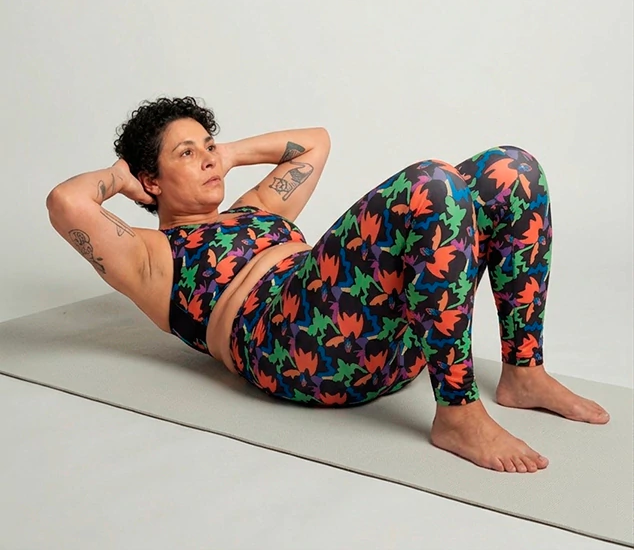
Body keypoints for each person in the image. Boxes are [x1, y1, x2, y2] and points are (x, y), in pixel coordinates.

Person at [46, 96, 610, 473]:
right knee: (431, 185)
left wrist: (226, 154)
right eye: (186, 154)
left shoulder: (256, 208)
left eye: (208, 146)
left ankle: (523, 372)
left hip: (381, 339)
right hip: (296, 349)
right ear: (151, 179)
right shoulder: (151, 254)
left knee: (512, 170)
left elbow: (316, 140)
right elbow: (66, 203)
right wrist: (121, 177)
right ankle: (458, 413)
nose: (208, 160)